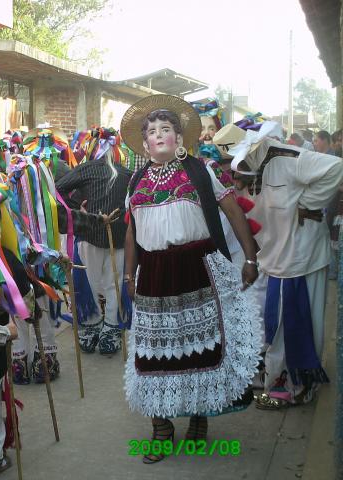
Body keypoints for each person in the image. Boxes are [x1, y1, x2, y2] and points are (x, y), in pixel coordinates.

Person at [121, 95, 261, 464]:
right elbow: (132, 231)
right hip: (152, 274)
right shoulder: (136, 180)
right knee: (151, 356)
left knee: (200, 347)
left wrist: (250, 257)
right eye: (152, 132)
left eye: (166, 129)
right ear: (145, 143)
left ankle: (199, 418)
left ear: (180, 138)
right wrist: (127, 274)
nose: (159, 135)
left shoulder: (200, 171)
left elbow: (232, 210)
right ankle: (161, 429)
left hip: (196, 270)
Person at [227, 121, 343, 409]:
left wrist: (310, 202)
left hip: (302, 257)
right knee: (276, 322)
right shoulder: (250, 169)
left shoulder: (289, 158)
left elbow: (335, 168)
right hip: (275, 257)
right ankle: (280, 380)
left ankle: (301, 386)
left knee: (301, 321)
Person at [56, 146, 131, 355]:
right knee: (111, 284)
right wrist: (76, 211)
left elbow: (57, 187)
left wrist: (75, 210)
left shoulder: (89, 169)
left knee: (92, 283)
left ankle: (96, 325)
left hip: (96, 234)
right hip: (109, 234)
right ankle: (109, 328)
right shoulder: (126, 172)